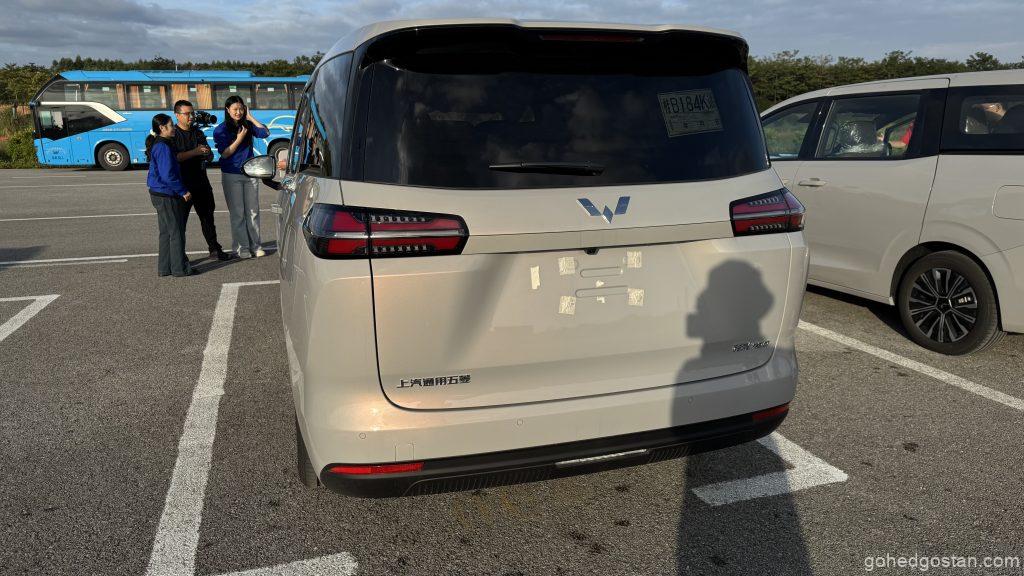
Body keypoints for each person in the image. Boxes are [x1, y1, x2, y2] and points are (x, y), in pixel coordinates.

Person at [172, 100, 233, 261]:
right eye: (187, 114)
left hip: (201, 182)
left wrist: (206, 153)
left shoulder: (197, 133)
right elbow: (175, 157)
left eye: (192, 113)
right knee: (180, 223)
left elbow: (209, 156)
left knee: (207, 218)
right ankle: (179, 256)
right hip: (183, 186)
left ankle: (214, 249)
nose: (191, 117)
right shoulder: (174, 134)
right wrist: (195, 152)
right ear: (177, 115)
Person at [214, 95, 270, 259]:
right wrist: (239, 139)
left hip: (250, 172)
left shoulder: (248, 125)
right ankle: (242, 247)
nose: (238, 112)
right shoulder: (221, 130)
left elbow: (265, 133)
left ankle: (256, 246)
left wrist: (250, 117)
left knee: (253, 212)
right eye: (235, 109)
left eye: (241, 109)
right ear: (227, 110)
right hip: (231, 174)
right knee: (238, 213)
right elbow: (225, 153)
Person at [146, 114, 194, 277]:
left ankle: (165, 268)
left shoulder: (160, 144)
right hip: (166, 194)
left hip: (158, 193)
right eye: (171, 125)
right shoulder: (163, 147)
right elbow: (168, 175)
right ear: (162, 128)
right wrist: (183, 191)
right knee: (176, 232)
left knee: (166, 232)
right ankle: (179, 268)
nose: (174, 128)